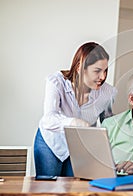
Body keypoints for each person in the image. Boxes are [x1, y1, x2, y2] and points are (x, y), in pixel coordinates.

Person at [34, 42, 117, 177]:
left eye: (105, 70)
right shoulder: (56, 82)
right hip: (50, 142)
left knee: (73, 189)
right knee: (47, 189)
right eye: (97, 71)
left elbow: (109, 122)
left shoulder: (107, 92)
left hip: (78, 145)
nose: (103, 77)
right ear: (80, 67)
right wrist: (76, 123)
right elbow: (48, 119)